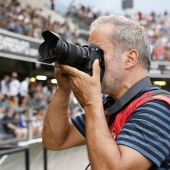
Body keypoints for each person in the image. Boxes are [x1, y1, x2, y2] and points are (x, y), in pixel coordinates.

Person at [42, 15, 170, 170]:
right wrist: (63, 89)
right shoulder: (111, 107)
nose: (92, 61)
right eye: (88, 51)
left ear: (130, 59)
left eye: (98, 52)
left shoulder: (158, 109)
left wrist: (91, 102)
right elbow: (54, 140)